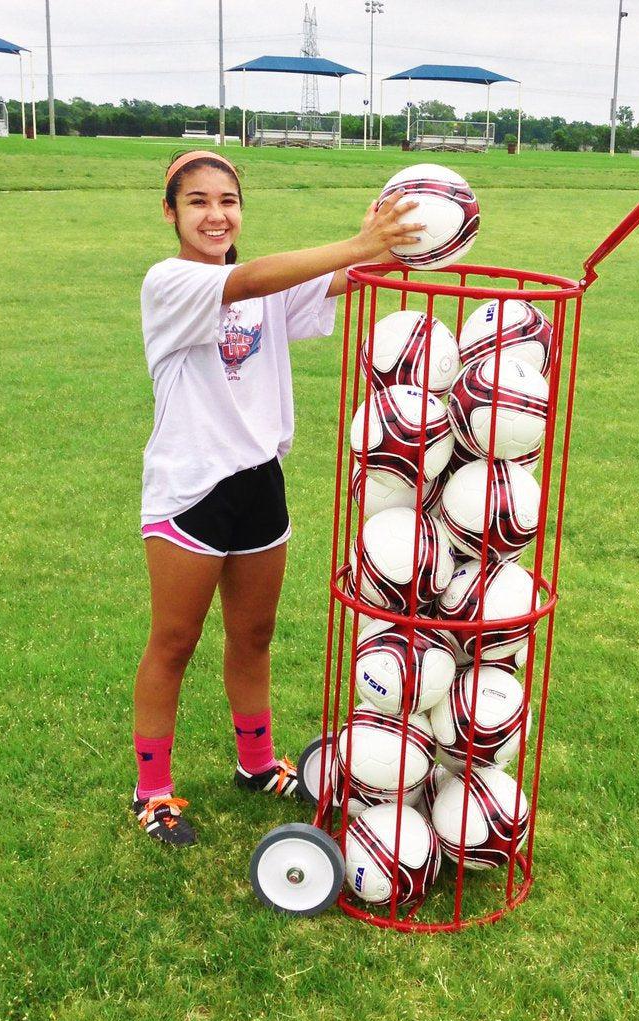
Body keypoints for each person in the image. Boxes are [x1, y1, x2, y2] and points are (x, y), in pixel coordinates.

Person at [132, 150, 421, 845]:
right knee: (174, 641)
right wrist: (357, 244)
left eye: (227, 200)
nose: (215, 213)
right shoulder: (169, 282)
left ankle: (256, 764)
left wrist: (393, 240)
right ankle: (152, 792)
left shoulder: (264, 288)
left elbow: (344, 278)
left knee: (254, 637)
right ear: (170, 213)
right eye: (196, 201)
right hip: (191, 489)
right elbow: (252, 277)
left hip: (261, 483)